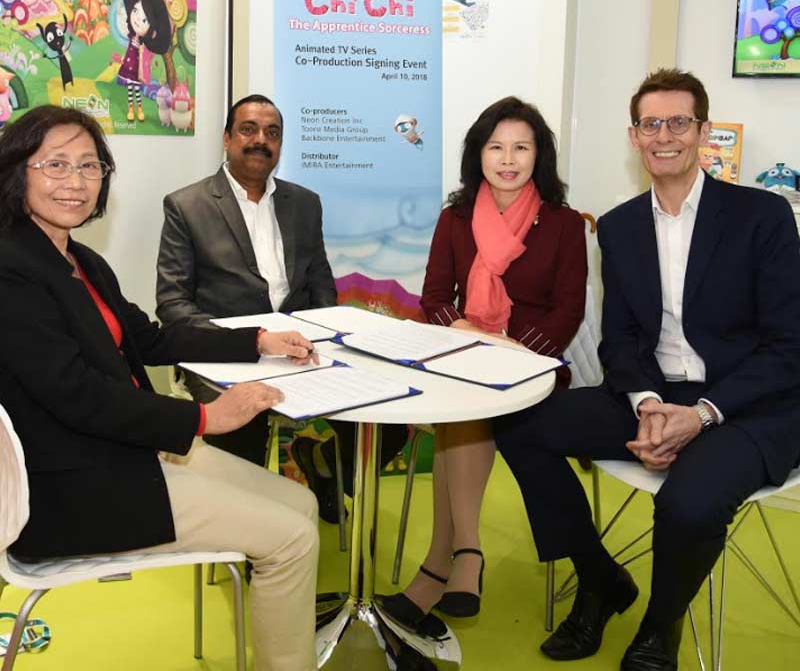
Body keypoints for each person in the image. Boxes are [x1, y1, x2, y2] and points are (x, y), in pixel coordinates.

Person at [495, 69, 800, 671]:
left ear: (703, 132)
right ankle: (600, 579)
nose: (664, 136)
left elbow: (789, 345)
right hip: (654, 394)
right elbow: (622, 339)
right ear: (634, 136)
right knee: (519, 422)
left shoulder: (762, 216)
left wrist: (702, 414)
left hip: (746, 405)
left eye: (679, 122)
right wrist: (648, 404)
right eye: (650, 124)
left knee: (687, 503)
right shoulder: (618, 226)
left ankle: (661, 626)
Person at [0, 105, 320, 671]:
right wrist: (206, 419)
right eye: (55, 164)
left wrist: (255, 340)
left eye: (90, 165)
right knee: (292, 538)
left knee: (302, 503)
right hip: (70, 488)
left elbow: (149, 339)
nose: (75, 181)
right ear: (16, 172)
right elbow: (76, 394)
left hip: (119, 452)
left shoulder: (79, 259)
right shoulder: (11, 267)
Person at [381, 96, 587, 634]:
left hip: (532, 363)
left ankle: (443, 564)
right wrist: (468, 335)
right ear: (479, 154)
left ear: (539, 155)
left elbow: (568, 311)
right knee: (464, 403)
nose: (508, 159)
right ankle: (462, 554)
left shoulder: (563, 223)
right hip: (464, 352)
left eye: (521, 147)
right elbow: (434, 298)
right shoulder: (455, 218)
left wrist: (514, 350)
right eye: (496, 147)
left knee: (461, 415)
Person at [155, 93, 407, 521]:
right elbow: (173, 303)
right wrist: (249, 341)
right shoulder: (187, 205)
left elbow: (320, 284)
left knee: (389, 423)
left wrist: (322, 338)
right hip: (225, 355)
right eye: (248, 130)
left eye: (272, 133)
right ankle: (256, 537)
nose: (261, 140)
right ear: (226, 138)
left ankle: (324, 468)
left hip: (299, 350)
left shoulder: (304, 203)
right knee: (243, 434)